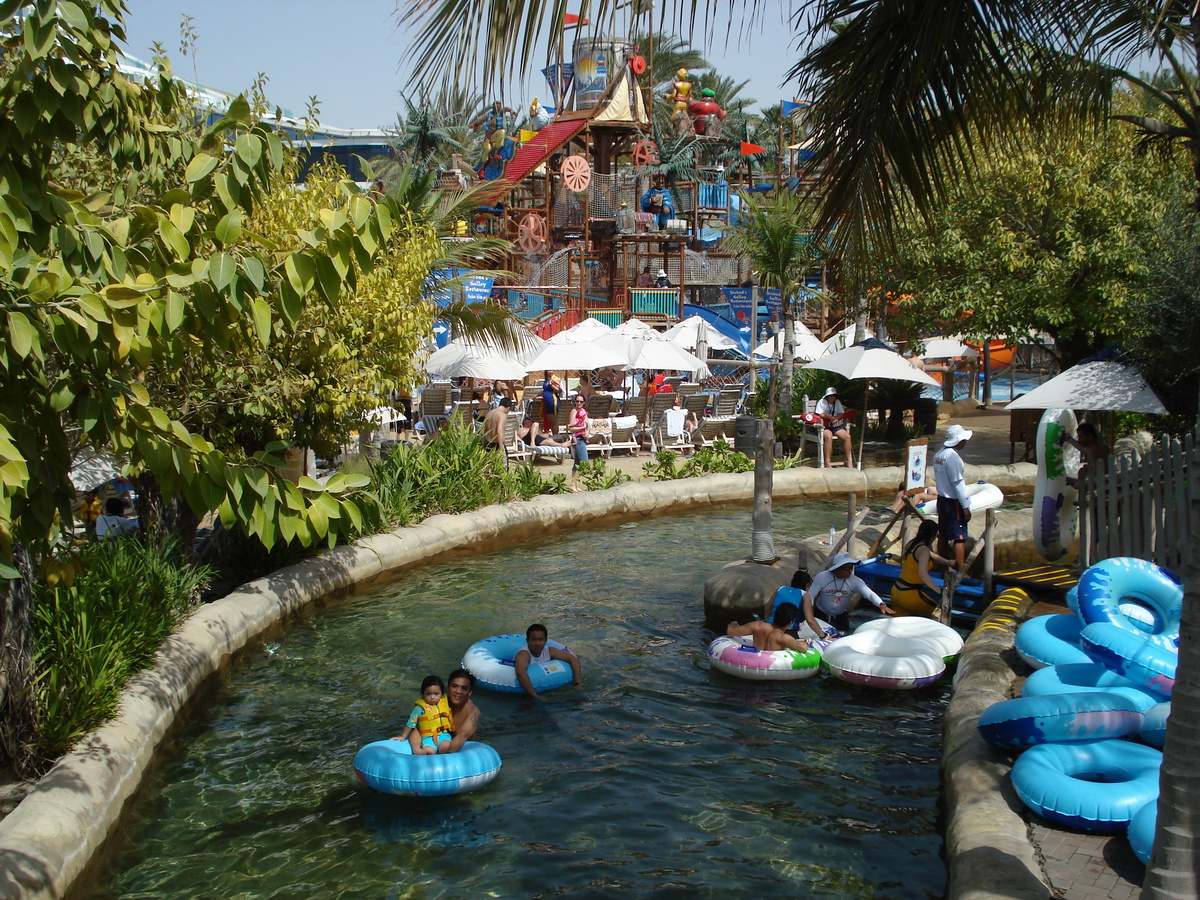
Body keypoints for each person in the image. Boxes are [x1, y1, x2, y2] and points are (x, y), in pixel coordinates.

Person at [802, 551, 894, 637]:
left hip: (840, 617)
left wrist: (881, 604)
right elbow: (810, 596)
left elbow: (869, 593)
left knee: (843, 638)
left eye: (851, 567)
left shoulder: (855, 581)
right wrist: (808, 615)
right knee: (819, 637)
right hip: (821, 614)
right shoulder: (822, 577)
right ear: (837, 568)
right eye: (846, 568)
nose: (850, 570)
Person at [394, 668, 481, 754]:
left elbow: (462, 736)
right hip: (433, 741)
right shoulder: (438, 701)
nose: (458, 691)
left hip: (458, 752)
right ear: (447, 688)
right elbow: (415, 726)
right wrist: (415, 748)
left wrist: (442, 760)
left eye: (464, 688)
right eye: (454, 686)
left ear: (469, 693)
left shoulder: (473, 713)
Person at [890, 519, 958, 618]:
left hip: (896, 591)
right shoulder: (924, 550)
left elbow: (932, 555)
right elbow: (923, 574)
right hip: (909, 595)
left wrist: (947, 562)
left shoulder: (912, 543)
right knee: (939, 614)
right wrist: (939, 591)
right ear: (932, 535)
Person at [933, 423, 973, 570]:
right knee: (959, 537)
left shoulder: (939, 455)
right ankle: (961, 570)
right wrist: (965, 506)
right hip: (953, 500)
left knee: (943, 533)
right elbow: (958, 484)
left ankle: (944, 566)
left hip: (942, 498)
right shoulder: (953, 458)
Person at [515, 623, 581, 700]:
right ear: (527, 640)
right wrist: (535, 695)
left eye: (540, 639)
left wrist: (577, 683)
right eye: (534, 639)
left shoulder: (549, 651)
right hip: (524, 694)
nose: (537, 643)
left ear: (545, 640)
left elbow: (573, 659)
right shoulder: (524, 654)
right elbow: (520, 671)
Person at [726, 603, 811, 653]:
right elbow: (803, 648)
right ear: (790, 622)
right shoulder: (783, 638)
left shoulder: (758, 626)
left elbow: (730, 631)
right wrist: (807, 642)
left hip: (752, 664)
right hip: (771, 672)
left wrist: (734, 624)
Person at [403, 675, 454, 756]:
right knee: (428, 753)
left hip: (443, 735)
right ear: (423, 694)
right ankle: (418, 751)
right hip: (428, 738)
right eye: (428, 694)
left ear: (441, 694)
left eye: (436, 694)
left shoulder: (446, 701)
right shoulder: (419, 708)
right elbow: (410, 723)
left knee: (446, 749)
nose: (432, 697)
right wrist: (403, 736)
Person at [816, 386, 854, 468]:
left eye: (833, 396)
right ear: (827, 396)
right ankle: (827, 461)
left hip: (835, 425)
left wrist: (837, 418)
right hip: (825, 426)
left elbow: (841, 413)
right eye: (830, 396)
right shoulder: (822, 402)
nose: (832, 397)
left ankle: (848, 459)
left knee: (847, 437)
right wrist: (829, 418)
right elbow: (819, 414)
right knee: (828, 437)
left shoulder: (837, 402)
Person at [1064, 422, 1111, 487]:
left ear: (1090, 437)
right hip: (1108, 482)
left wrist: (1079, 483)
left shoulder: (1093, 450)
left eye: (1081, 437)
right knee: (1086, 467)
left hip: (1106, 486)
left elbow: (1097, 480)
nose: (1079, 440)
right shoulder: (1103, 447)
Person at [568, 394, 590, 491]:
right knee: (584, 462)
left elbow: (588, 424)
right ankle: (573, 484)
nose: (579, 403)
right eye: (577, 401)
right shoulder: (574, 411)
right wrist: (583, 428)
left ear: (584, 402)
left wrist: (587, 433)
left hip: (582, 438)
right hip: (577, 439)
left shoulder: (583, 412)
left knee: (577, 463)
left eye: (581, 401)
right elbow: (571, 428)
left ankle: (573, 484)